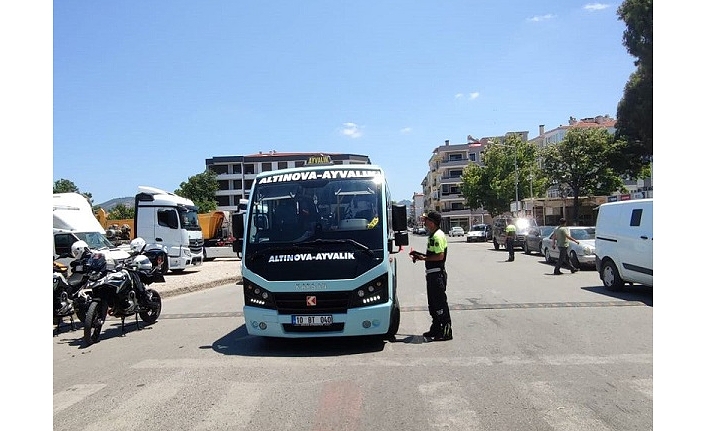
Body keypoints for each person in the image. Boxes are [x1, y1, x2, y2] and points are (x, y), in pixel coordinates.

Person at [409, 210, 452, 341]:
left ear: (432, 223)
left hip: (437, 274)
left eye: (426, 220)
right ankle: (436, 328)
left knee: (439, 304)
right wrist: (420, 255)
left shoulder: (437, 236)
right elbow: (432, 255)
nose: (424, 222)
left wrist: (423, 259)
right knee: (433, 304)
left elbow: (439, 256)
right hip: (432, 274)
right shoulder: (433, 234)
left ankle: (446, 331)